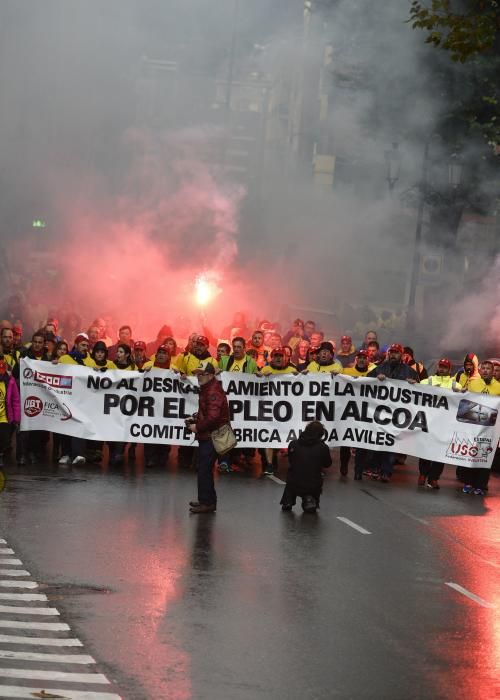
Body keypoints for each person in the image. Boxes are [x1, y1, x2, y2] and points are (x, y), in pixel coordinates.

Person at [366, 343, 419, 482]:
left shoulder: (410, 372)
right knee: (377, 442)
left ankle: (386, 472)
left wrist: (413, 384)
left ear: (402, 355)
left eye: (396, 352)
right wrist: (375, 379)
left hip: (397, 415)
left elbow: (420, 392)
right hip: (379, 413)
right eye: (392, 352)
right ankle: (375, 469)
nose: (393, 355)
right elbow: (365, 382)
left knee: (391, 443)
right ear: (388, 354)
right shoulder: (379, 369)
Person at [185, 364, 229, 513]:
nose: (198, 377)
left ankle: (207, 503)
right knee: (205, 469)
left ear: (210, 375)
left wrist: (197, 427)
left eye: (201, 374)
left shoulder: (212, 392)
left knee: (204, 469)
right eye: (197, 374)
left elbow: (213, 417)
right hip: (211, 435)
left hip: (212, 436)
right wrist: (197, 417)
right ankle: (207, 500)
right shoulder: (209, 389)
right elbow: (210, 414)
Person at [418, 359, 463, 489]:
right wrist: (413, 383)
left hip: (445, 424)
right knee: (425, 450)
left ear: (449, 370)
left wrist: (460, 393)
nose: (442, 369)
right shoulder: (428, 381)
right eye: (440, 367)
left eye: (445, 367)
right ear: (438, 367)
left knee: (441, 452)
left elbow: (463, 398)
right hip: (429, 421)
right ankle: (422, 474)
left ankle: (433, 478)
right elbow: (415, 390)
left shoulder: (456, 385)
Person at [461, 360, 500, 496]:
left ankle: (481, 485)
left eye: (488, 368)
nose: (485, 371)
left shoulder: (498, 386)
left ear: (492, 370)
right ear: (480, 370)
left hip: (490, 428)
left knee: (485, 456)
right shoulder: (473, 383)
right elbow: (464, 399)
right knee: (471, 454)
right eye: (483, 368)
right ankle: (468, 483)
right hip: (474, 426)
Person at [280, 421, 332, 513]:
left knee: (292, 476)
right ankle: (309, 499)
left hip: (294, 481)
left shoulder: (293, 444)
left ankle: (288, 501)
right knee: (312, 481)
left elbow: (291, 461)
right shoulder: (323, 447)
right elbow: (327, 464)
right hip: (313, 483)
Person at [339, 350, 372, 478]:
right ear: (356, 359)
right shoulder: (346, 372)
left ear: (369, 360)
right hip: (348, 411)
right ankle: (344, 465)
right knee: (345, 441)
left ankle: (358, 470)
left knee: (361, 443)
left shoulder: (372, 374)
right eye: (360, 358)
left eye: (365, 358)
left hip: (364, 412)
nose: (362, 360)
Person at [0, 359, 20, 468]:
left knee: (4, 439)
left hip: (5, 417)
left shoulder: (10, 381)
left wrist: (16, 419)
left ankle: (0, 454)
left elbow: (15, 401)